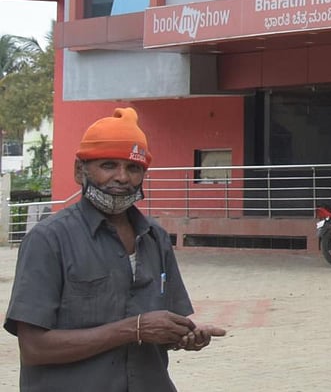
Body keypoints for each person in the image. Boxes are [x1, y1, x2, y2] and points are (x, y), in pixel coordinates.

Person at [4, 107, 226, 391]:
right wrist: (134, 329)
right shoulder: (48, 240)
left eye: (133, 167)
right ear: (79, 170)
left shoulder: (155, 237)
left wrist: (183, 336)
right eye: (108, 165)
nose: (122, 177)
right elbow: (34, 348)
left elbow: (158, 325)